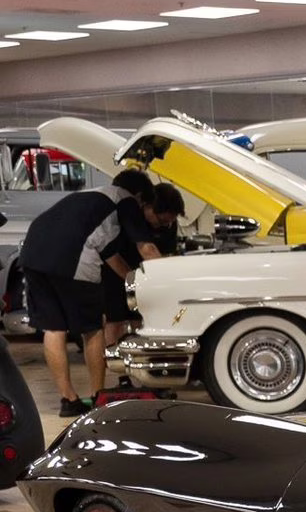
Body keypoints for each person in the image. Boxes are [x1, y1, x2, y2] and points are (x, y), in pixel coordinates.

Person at [18, 167, 154, 416]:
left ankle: (68, 400)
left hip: (33, 254)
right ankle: (97, 395)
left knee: (54, 328)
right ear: (139, 196)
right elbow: (146, 248)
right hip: (72, 257)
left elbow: (112, 257)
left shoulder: (89, 198)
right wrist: (165, 278)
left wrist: (135, 282)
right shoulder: (125, 199)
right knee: (92, 328)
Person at [103, 181, 183, 352]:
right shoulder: (131, 216)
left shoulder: (169, 224)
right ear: (148, 206)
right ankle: (116, 362)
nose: (164, 226)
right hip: (116, 271)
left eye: (169, 222)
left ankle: (143, 355)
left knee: (143, 318)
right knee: (115, 320)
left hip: (147, 276)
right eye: (161, 221)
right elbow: (147, 249)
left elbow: (168, 254)